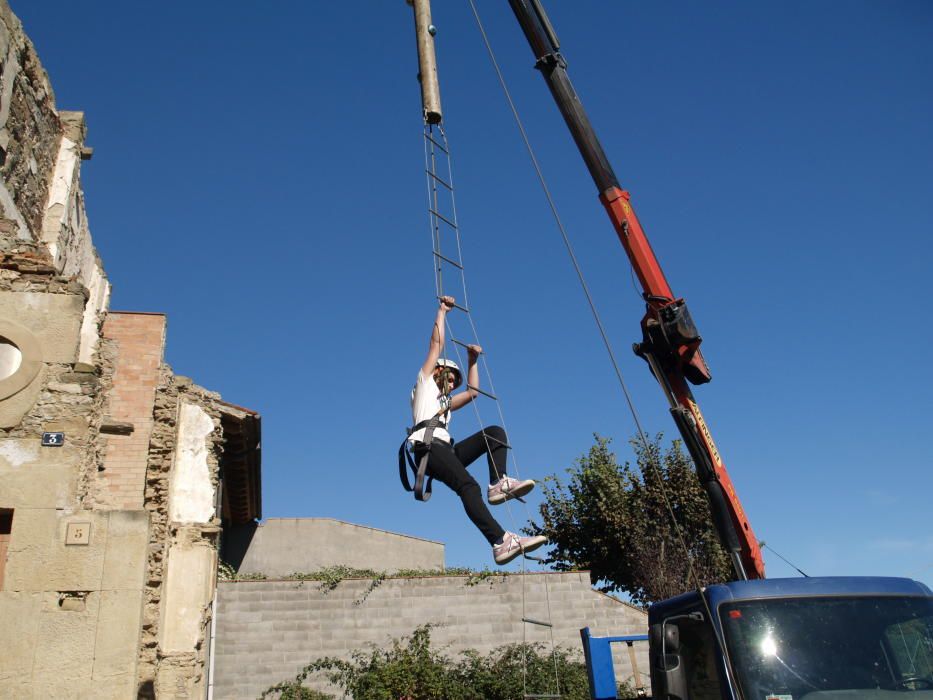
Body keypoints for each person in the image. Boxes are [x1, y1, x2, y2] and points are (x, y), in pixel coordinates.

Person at [406, 295, 546, 565]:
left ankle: (498, 482)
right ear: (436, 373)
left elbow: (472, 393)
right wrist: (442, 312)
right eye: (447, 375)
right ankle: (500, 541)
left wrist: (472, 361)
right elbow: (436, 344)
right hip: (428, 447)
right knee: (468, 485)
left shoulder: (445, 403)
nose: (451, 381)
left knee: (493, 432)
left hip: (445, 449)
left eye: (454, 379)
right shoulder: (424, 386)